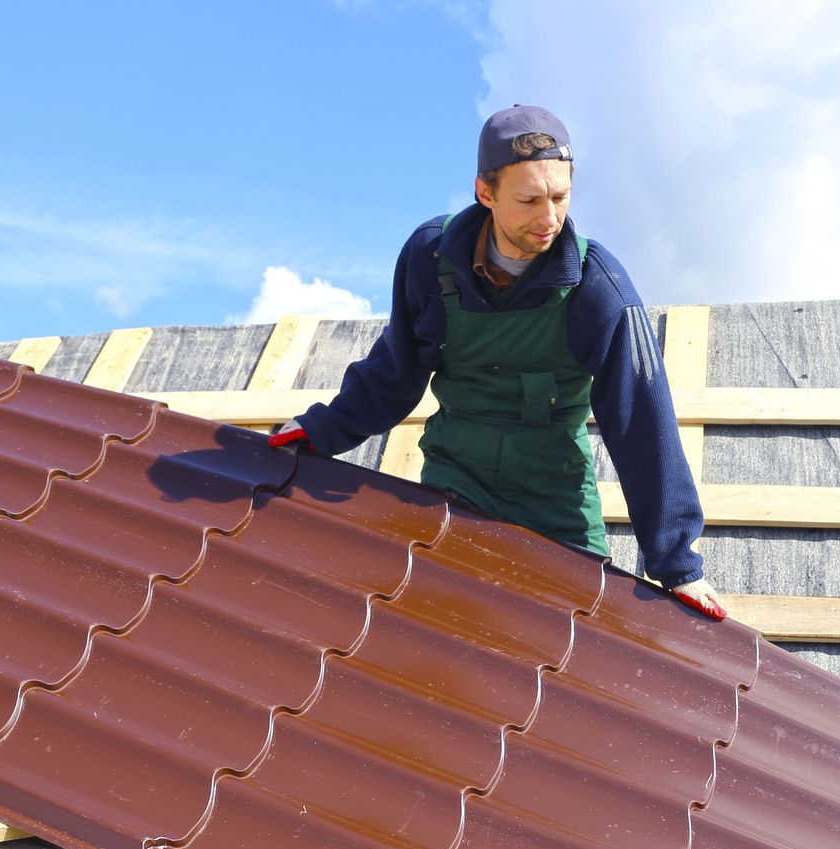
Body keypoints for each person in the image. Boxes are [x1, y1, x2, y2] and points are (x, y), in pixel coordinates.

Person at [268, 104, 724, 619]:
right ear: (485, 193)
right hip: (454, 486)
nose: (548, 218)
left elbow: (642, 421)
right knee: (442, 642)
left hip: (557, 510)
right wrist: (322, 431)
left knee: (568, 659)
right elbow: (395, 371)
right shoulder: (430, 260)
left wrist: (678, 564)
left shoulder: (599, 288)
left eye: (559, 196)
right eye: (528, 199)